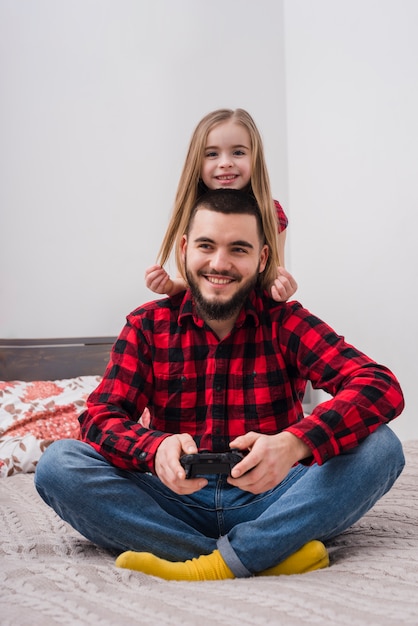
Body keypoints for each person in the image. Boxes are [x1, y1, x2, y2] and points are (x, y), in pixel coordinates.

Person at [35, 188, 405, 582]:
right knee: (59, 465)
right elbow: (99, 418)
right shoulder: (146, 326)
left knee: (382, 447)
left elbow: (379, 385)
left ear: (262, 258)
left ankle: (211, 560)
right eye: (206, 246)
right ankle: (259, 553)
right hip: (172, 501)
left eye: (239, 249)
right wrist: (154, 447)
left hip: (275, 497)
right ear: (185, 249)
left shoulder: (286, 321)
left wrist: (294, 442)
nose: (219, 263)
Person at [145, 108, 298, 303]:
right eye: (212, 154)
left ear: (255, 158)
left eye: (238, 152)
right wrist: (171, 286)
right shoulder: (190, 211)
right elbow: (187, 279)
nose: (225, 163)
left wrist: (282, 288)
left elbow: (273, 276)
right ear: (196, 162)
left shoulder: (271, 212)